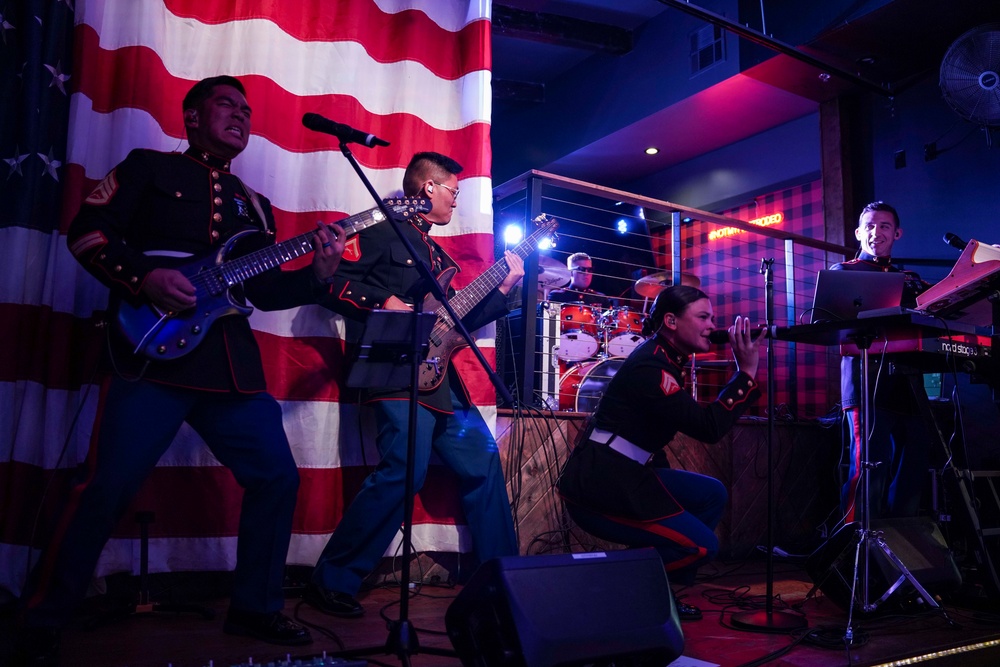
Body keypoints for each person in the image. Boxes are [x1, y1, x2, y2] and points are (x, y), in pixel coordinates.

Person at [16, 75, 344, 662]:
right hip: (151, 354)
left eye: (247, 109)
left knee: (277, 478)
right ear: (192, 116)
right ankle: (43, 614)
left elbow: (263, 291)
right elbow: (87, 233)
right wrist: (144, 278)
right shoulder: (147, 167)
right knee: (106, 485)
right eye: (226, 104)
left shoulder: (256, 206)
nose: (241, 115)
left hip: (229, 368)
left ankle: (255, 608)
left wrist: (317, 274)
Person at [307, 151, 523, 618]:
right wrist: (382, 298)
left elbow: (452, 323)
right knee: (406, 469)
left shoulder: (438, 255)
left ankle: (506, 579)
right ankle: (332, 578)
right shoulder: (381, 232)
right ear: (429, 187)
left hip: (439, 379)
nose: (455, 202)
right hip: (392, 371)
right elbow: (332, 282)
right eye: (453, 192)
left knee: (483, 464)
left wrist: (505, 289)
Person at [557, 285, 761, 620]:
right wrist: (746, 374)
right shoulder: (653, 368)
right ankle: (623, 587)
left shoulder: (665, 359)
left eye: (712, 317)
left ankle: (660, 592)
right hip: (599, 487)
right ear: (671, 321)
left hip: (627, 473)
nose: (713, 325)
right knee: (701, 546)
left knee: (712, 494)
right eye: (703, 317)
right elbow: (708, 428)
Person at [832, 201, 933, 522]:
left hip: (909, 383)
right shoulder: (844, 272)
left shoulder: (911, 279)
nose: (877, 232)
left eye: (885, 226)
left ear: (897, 233)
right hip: (866, 382)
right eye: (871, 226)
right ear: (859, 232)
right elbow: (834, 325)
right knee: (868, 466)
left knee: (915, 461)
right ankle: (856, 551)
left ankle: (900, 545)